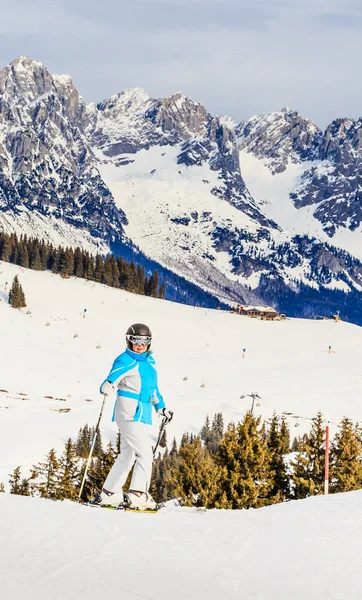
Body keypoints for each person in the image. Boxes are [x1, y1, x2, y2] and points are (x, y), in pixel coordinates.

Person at [99, 323, 171, 509]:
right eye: (135, 341)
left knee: (128, 454)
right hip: (129, 411)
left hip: (141, 412)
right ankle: (138, 494)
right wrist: (107, 386)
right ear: (129, 341)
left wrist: (160, 407)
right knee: (145, 453)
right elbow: (111, 379)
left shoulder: (149, 362)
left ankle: (110, 493)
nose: (140, 345)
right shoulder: (125, 360)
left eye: (144, 341)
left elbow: (153, 389)